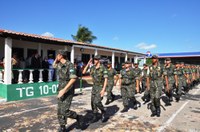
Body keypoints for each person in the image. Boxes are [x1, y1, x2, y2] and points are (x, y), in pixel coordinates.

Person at [53, 50, 83, 131]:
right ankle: (62, 126)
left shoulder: (70, 65)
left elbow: (73, 79)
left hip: (68, 88)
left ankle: (77, 116)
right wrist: (56, 59)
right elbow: (53, 65)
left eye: (57, 55)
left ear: (61, 56)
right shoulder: (59, 64)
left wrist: (64, 90)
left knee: (65, 110)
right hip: (60, 88)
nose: (56, 56)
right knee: (60, 109)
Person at [82, 55, 108, 123]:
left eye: (96, 60)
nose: (94, 61)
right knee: (93, 103)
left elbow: (106, 79)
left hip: (100, 87)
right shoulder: (92, 67)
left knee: (97, 101)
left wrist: (103, 90)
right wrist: (88, 63)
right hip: (94, 87)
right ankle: (95, 116)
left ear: (99, 60)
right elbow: (83, 72)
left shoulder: (103, 68)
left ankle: (103, 111)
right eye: (94, 59)